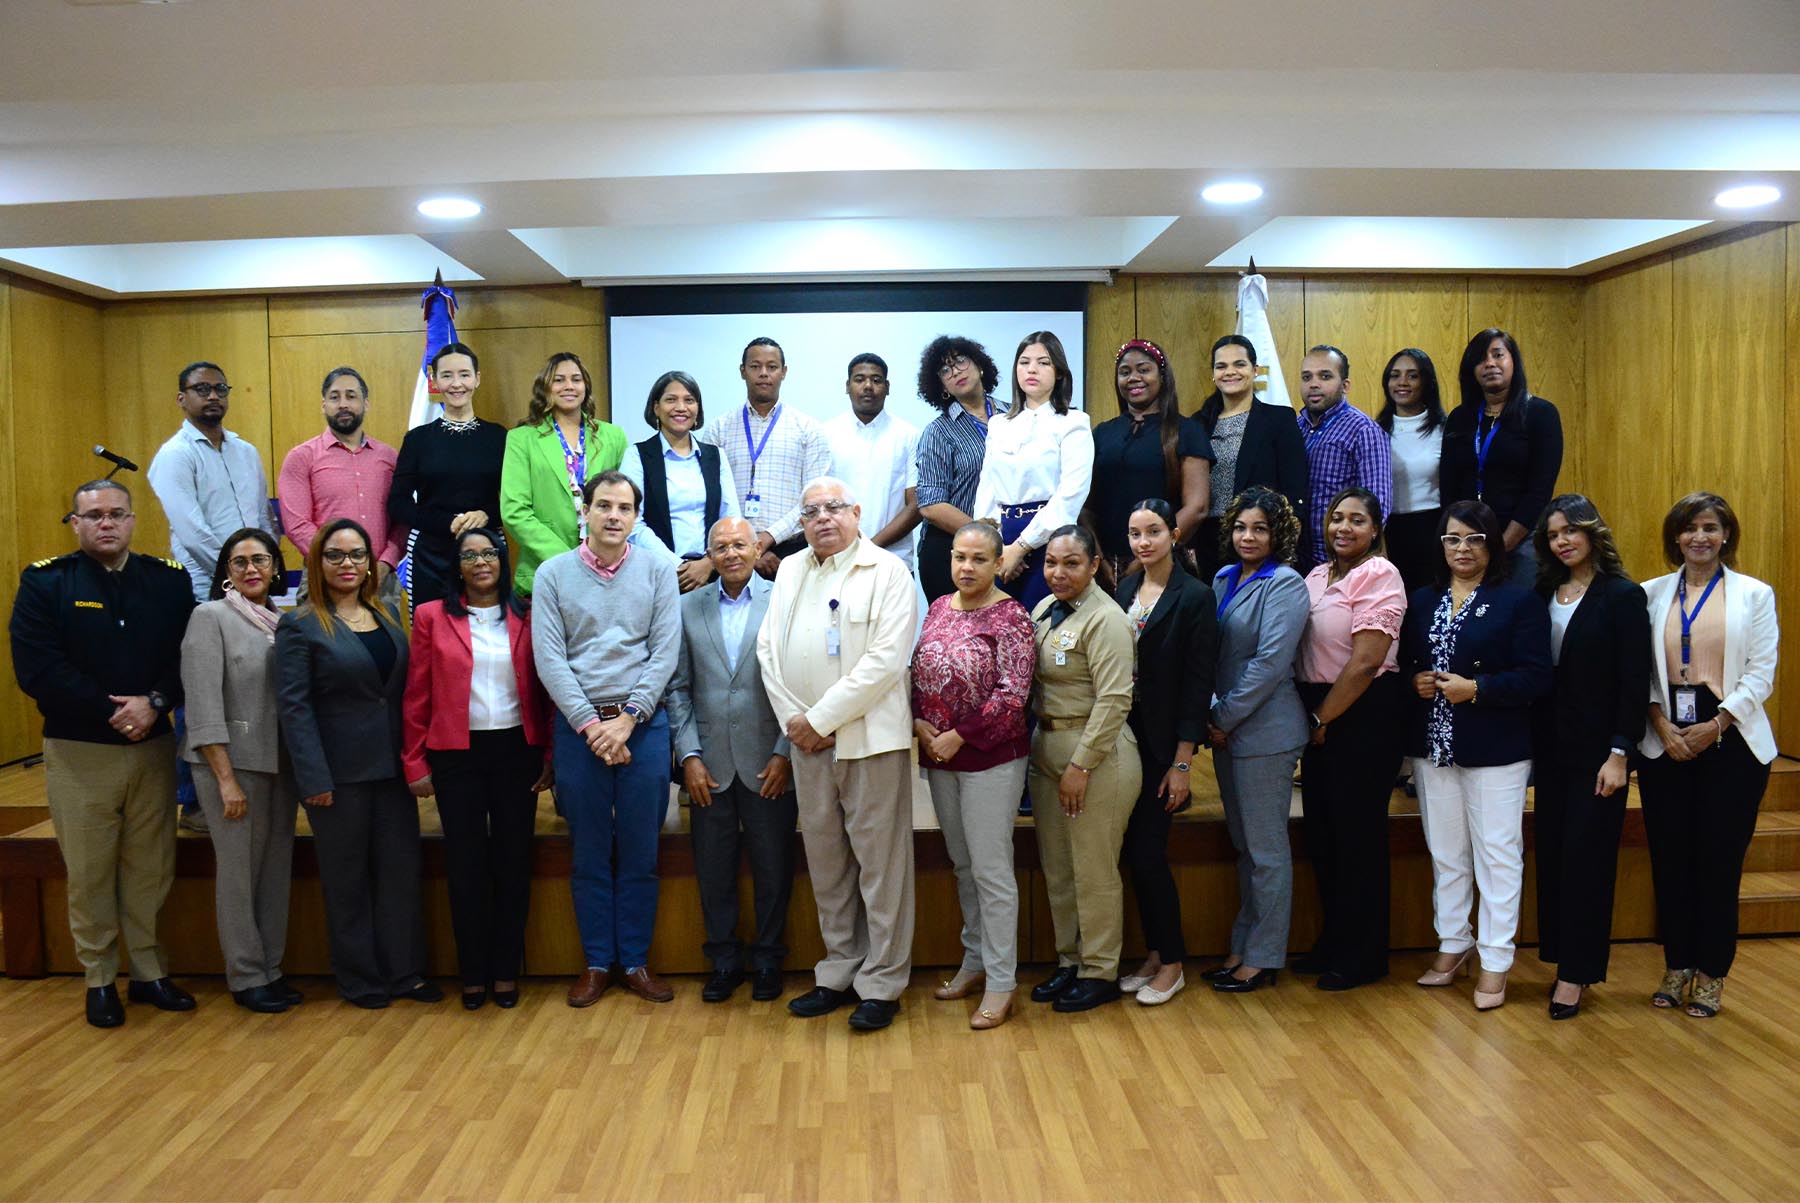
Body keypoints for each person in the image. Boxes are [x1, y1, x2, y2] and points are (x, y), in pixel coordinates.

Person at [9, 480, 195, 1028]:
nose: (106, 524)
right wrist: (114, 710)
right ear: (75, 524)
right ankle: (98, 978)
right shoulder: (47, 582)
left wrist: (155, 702)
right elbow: (38, 668)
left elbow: (186, 656)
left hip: (153, 746)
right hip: (80, 748)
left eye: (116, 514)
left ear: (134, 520)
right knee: (90, 870)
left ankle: (148, 973)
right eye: (93, 516)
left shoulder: (167, 581)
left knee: (150, 866)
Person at [757, 477, 919, 1031]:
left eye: (833, 508)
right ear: (800, 523)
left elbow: (886, 661)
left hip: (869, 742)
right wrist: (797, 725)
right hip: (807, 745)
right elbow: (768, 652)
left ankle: (883, 981)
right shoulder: (792, 571)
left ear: (856, 511)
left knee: (881, 868)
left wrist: (820, 719)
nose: (822, 518)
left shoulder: (889, 571)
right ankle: (838, 971)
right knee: (828, 865)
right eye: (810, 512)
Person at [532, 471, 681, 1007]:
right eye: (604, 506)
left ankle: (636, 962)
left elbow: (665, 652)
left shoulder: (659, 571)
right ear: (585, 513)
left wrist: (629, 720)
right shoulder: (552, 575)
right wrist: (592, 726)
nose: (614, 515)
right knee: (590, 854)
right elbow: (549, 658)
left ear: (636, 517)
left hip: (642, 728)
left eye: (624, 507)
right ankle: (597, 963)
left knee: (641, 853)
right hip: (580, 732)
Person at [276, 519, 439, 1009]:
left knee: (399, 875)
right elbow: (294, 708)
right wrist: (313, 779)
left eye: (356, 555)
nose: (347, 564)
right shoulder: (299, 624)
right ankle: (361, 979)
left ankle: (404, 973)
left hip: (392, 771)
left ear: (371, 562)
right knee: (347, 882)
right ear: (318, 563)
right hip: (338, 776)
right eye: (336, 555)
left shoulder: (388, 613)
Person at [1400, 500, 1551, 1012]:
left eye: (1474, 539)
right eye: (1452, 539)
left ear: (1493, 545)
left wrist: (1479, 688)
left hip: (1496, 749)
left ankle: (1495, 958)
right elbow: (1407, 667)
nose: (1462, 549)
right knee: (1446, 852)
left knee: (1497, 856)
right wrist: (1416, 682)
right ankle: (1453, 942)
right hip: (1433, 745)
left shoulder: (1519, 601)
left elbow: (1536, 676)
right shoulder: (1422, 600)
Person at [1636, 492, 1779, 1020]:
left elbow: (1761, 672)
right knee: (1671, 862)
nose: (1700, 537)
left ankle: (1711, 974)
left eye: (1711, 528)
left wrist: (1717, 723)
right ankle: (1677, 966)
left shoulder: (1754, 595)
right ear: (1676, 536)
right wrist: (1660, 723)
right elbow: (1640, 670)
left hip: (1732, 744)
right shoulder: (1649, 594)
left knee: (1718, 865)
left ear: (1726, 536)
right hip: (1664, 740)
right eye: (1691, 527)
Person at [402, 528, 554, 1011]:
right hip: (455, 756)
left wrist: (549, 755)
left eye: (489, 552)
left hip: (516, 753)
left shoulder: (528, 615)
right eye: (470, 555)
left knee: (513, 863)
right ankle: (473, 973)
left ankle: (506, 971)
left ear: (503, 561)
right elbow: (417, 695)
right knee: (465, 866)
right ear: (457, 566)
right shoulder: (430, 617)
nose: (481, 561)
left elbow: (546, 692)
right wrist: (414, 762)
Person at [665, 517, 797, 1005]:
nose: (731, 554)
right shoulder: (686, 608)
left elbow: (797, 681)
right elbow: (677, 689)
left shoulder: (783, 600)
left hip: (770, 762)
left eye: (740, 544)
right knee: (713, 868)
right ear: (710, 554)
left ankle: (767, 960)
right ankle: (723, 961)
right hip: (709, 765)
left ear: (754, 548)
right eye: (720, 547)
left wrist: (786, 753)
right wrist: (689, 756)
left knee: (773, 867)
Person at [1529, 495, 1648, 1020]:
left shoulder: (1622, 597)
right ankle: (1560, 960)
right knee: (1554, 856)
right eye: (1554, 534)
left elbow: (1633, 681)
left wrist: (1621, 751)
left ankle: (1577, 974)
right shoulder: (1541, 591)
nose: (1563, 540)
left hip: (1600, 754)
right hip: (1549, 751)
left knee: (1587, 861)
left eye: (1571, 531)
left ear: (1592, 533)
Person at [911, 521, 1034, 1029]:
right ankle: (975, 961)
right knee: (963, 865)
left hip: (990, 757)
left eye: (979, 559)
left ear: (998, 562)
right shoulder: (939, 606)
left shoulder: (1012, 617)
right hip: (939, 756)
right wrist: (919, 723)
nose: (966, 567)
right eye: (960, 557)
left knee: (991, 870)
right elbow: (919, 674)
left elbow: (1013, 694)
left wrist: (958, 734)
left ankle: (1003, 981)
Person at [179, 527, 301, 1014]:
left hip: (278, 765)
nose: (252, 569)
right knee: (238, 875)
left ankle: (270, 969)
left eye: (261, 560)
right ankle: (245, 975)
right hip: (230, 767)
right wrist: (225, 778)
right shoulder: (210, 617)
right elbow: (202, 704)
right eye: (240, 562)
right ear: (226, 573)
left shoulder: (281, 621)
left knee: (274, 872)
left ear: (275, 568)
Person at [1293, 487, 1407, 991]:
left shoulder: (1380, 574)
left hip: (1361, 713)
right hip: (1318, 709)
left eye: (1357, 520)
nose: (1343, 528)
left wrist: (1321, 721)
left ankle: (1363, 955)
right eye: (1336, 518)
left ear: (1376, 529)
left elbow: (1365, 662)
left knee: (1357, 839)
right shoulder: (1317, 575)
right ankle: (1334, 942)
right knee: (1324, 835)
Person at [1026, 524, 1140, 1013]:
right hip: (1046, 747)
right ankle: (1069, 960)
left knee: (1093, 868)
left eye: (1072, 563)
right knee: (1059, 867)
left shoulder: (1106, 619)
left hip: (1096, 756)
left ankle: (1100, 970)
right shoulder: (1044, 611)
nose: (1059, 572)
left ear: (1095, 566)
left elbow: (1115, 699)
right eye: (1052, 562)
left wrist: (1081, 764)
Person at [1205, 487, 1309, 994]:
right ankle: (1243, 945)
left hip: (1266, 731)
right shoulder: (1224, 577)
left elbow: (1269, 664)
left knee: (1267, 851)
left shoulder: (1285, 584)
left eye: (1260, 529)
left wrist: (1222, 715)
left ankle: (1264, 957)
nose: (1249, 537)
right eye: (1242, 527)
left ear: (1278, 534)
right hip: (1227, 729)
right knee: (1245, 849)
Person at [1115, 499, 1217, 1006]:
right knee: (1135, 853)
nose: (1143, 542)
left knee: (1150, 854)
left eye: (1153, 531)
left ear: (1174, 534)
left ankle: (1173, 962)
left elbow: (1197, 686)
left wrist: (1182, 763)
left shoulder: (1195, 596)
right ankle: (1155, 953)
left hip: (1162, 746)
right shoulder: (1126, 587)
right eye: (1135, 533)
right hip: (1124, 739)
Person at [973, 331, 1093, 613]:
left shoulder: (1073, 422)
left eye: (1043, 363)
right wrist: (996, 548)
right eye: (1024, 362)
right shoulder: (1000, 424)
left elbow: (1071, 494)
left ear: (1060, 372)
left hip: (1050, 539)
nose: (1032, 369)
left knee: (1041, 627)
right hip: (1002, 539)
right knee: (999, 627)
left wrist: (1021, 547)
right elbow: (987, 488)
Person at [700, 338, 836, 578]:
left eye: (772, 367)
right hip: (729, 553)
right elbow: (711, 496)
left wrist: (766, 539)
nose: (763, 373)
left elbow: (814, 501)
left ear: (784, 372)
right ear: (742, 371)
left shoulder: (808, 429)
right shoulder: (719, 429)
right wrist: (746, 544)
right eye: (755, 366)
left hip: (791, 552)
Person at [389, 342, 509, 609]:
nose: (457, 383)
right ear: (433, 380)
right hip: (431, 554)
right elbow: (398, 503)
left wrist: (487, 514)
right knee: (432, 641)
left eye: (464, 374)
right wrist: (447, 522)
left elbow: (517, 500)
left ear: (477, 379)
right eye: (447, 375)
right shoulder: (418, 439)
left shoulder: (499, 437)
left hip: (486, 551)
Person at [1440, 328, 1563, 589]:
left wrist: (1503, 546)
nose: (1490, 364)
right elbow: (1449, 487)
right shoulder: (1460, 418)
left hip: (1521, 540)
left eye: (1498, 355)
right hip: (1467, 544)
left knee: (1516, 614)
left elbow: (1539, 490)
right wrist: (1460, 540)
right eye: (1481, 359)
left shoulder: (1540, 414)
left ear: (1513, 362)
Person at [276, 366, 407, 608]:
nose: (343, 404)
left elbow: (402, 519)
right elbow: (297, 525)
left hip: (380, 580)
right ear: (323, 405)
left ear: (365, 404)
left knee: (385, 647)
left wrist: (385, 563)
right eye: (335, 397)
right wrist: (337, 562)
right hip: (323, 579)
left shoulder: (390, 457)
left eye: (351, 396)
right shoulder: (301, 457)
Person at [500, 351, 628, 597]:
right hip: (545, 569)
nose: (568, 386)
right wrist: (571, 561)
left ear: (586, 386)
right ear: (545, 387)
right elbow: (514, 510)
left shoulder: (613, 436)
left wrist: (597, 555)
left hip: (606, 569)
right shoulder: (521, 438)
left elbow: (625, 503)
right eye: (559, 380)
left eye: (576, 379)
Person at [147, 360, 277, 602]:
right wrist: (235, 573)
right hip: (207, 585)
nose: (213, 396)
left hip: (254, 581)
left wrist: (264, 569)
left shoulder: (246, 451)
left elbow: (262, 517)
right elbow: (193, 533)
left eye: (221, 389)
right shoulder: (174, 455)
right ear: (181, 399)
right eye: (203, 389)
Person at [1088, 340, 1212, 577]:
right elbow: (1086, 508)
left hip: (1167, 564)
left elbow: (1197, 507)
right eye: (1125, 372)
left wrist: (1146, 558)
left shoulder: (1188, 430)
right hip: (1104, 567)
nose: (1133, 377)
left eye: (1144, 370)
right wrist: (1098, 559)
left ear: (1162, 377)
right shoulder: (1102, 433)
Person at [1193, 335, 1309, 580]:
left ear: (1255, 370)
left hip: (1259, 540)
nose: (1230, 372)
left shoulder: (1279, 420)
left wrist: (1288, 544)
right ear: (1213, 374)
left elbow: (1295, 486)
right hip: (1206, 542)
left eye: (1239, 364)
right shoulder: (1197, 424)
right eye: (1221, 366)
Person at [619, 370, 737, 593]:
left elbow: (730, 519)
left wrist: (709, 562)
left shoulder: (716, 456)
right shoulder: (637, 456)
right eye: (671, 400)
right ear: (656, 407)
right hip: (656, 575)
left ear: (698, 409)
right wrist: (678, 566)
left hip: (712, 575)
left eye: (689, 400)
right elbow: (632, 522)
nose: (681, 407)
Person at [913, 336, 1004, 602]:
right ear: (941, 385)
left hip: (1014, 548)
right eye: (945, 370)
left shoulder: (1016, 415)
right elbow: (931, 505)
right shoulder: (938, 432)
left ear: (979, 365)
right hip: (951, 550)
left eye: (960, 361)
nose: (955, 372)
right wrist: (986, 536)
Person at [1294, 345, 1391, 571]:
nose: (1314, 384)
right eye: (1306, 377)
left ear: (1345, 385)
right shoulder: (1293, 428)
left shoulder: (1364, 430)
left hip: (1343, 562)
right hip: (1295, 560)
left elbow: (1377, 507)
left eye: (1325, 376)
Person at [822, 353, 921, 570]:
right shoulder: (826, 435)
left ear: (887, 387)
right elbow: (820, 502)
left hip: (894, 561)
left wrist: (869, 547)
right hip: (837, 558)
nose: (868, 386)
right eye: (859, 379)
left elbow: (916, 505)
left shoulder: (908, 436)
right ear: (847, 386)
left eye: (876, 380)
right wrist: (848, 549)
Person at [1375, 349, 1447, 596]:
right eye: (1395, 376)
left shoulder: (1445, 430)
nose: (1402, 383)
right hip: (1387, 532)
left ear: (1426, 382)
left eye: (1412, 376)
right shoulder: (1373, 431)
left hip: (1432, 530)